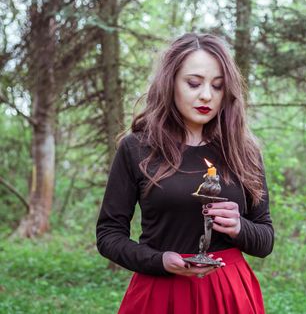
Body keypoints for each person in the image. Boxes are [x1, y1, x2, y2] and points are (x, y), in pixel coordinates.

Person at [96, 33, 274, 314]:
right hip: (160, 293)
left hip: (227, 293)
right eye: (194, 83)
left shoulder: (243, 150)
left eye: (217, 87)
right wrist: (159, 260)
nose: (206, 95)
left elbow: (265, 238)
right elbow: (109, 235)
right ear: (171, 83)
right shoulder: (137, 148)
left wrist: (240, 227)